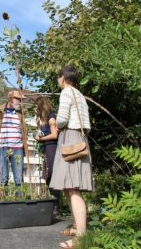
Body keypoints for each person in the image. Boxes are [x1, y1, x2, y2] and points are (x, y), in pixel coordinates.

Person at [49, 65, 93, 249]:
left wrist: (53, 121)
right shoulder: (80, 95)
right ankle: (77, 227)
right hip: (79, 139)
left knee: (73, 189)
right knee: (69, 187)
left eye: (59, 78)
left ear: (63, 78)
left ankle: (80, 238)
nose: (58, 81)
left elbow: (62, 120)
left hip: (70, 139)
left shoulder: (67, 93)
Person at [0, 90, 27, 188]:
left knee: (19, 178)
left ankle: (19, 201)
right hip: (2, 147)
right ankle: (3, 199)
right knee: (3, 178)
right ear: (10, 99)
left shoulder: (21, 113)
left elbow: (24, 130)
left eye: (21, 100)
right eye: (18, 99)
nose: (20, 102)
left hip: (17, 148)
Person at [33, 97, 60, 215]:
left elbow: (54, 135)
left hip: (52, 148)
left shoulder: (51, 117)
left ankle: (56, 207)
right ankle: (54, 205)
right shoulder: (42, 120)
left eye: (36, 107)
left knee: (53, 176)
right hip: (46, 148)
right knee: (48, 176)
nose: (35, 109)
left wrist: (41, 138)